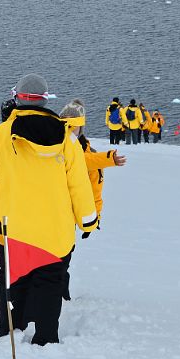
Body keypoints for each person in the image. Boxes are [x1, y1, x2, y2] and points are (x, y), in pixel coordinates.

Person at [0, 74, 98, 346]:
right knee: (49, 283)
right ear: (45, 99)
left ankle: (11, 330)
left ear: (17, 97)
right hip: (55, 230)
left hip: (17, 227)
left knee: (15, 282)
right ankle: (46, 336)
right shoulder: (67, 139)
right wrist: (87, 220)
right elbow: (78, 184)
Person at [59, 99, 125, 301]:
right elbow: (81, 164)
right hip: (62, 213)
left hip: (70, 214)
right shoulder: (63, 148)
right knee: (59, 260)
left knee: (62, 260)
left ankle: (61, 297)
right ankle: (58, 299)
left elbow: (94, 187)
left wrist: (93, 217)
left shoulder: (84, 148)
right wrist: (108, 158)